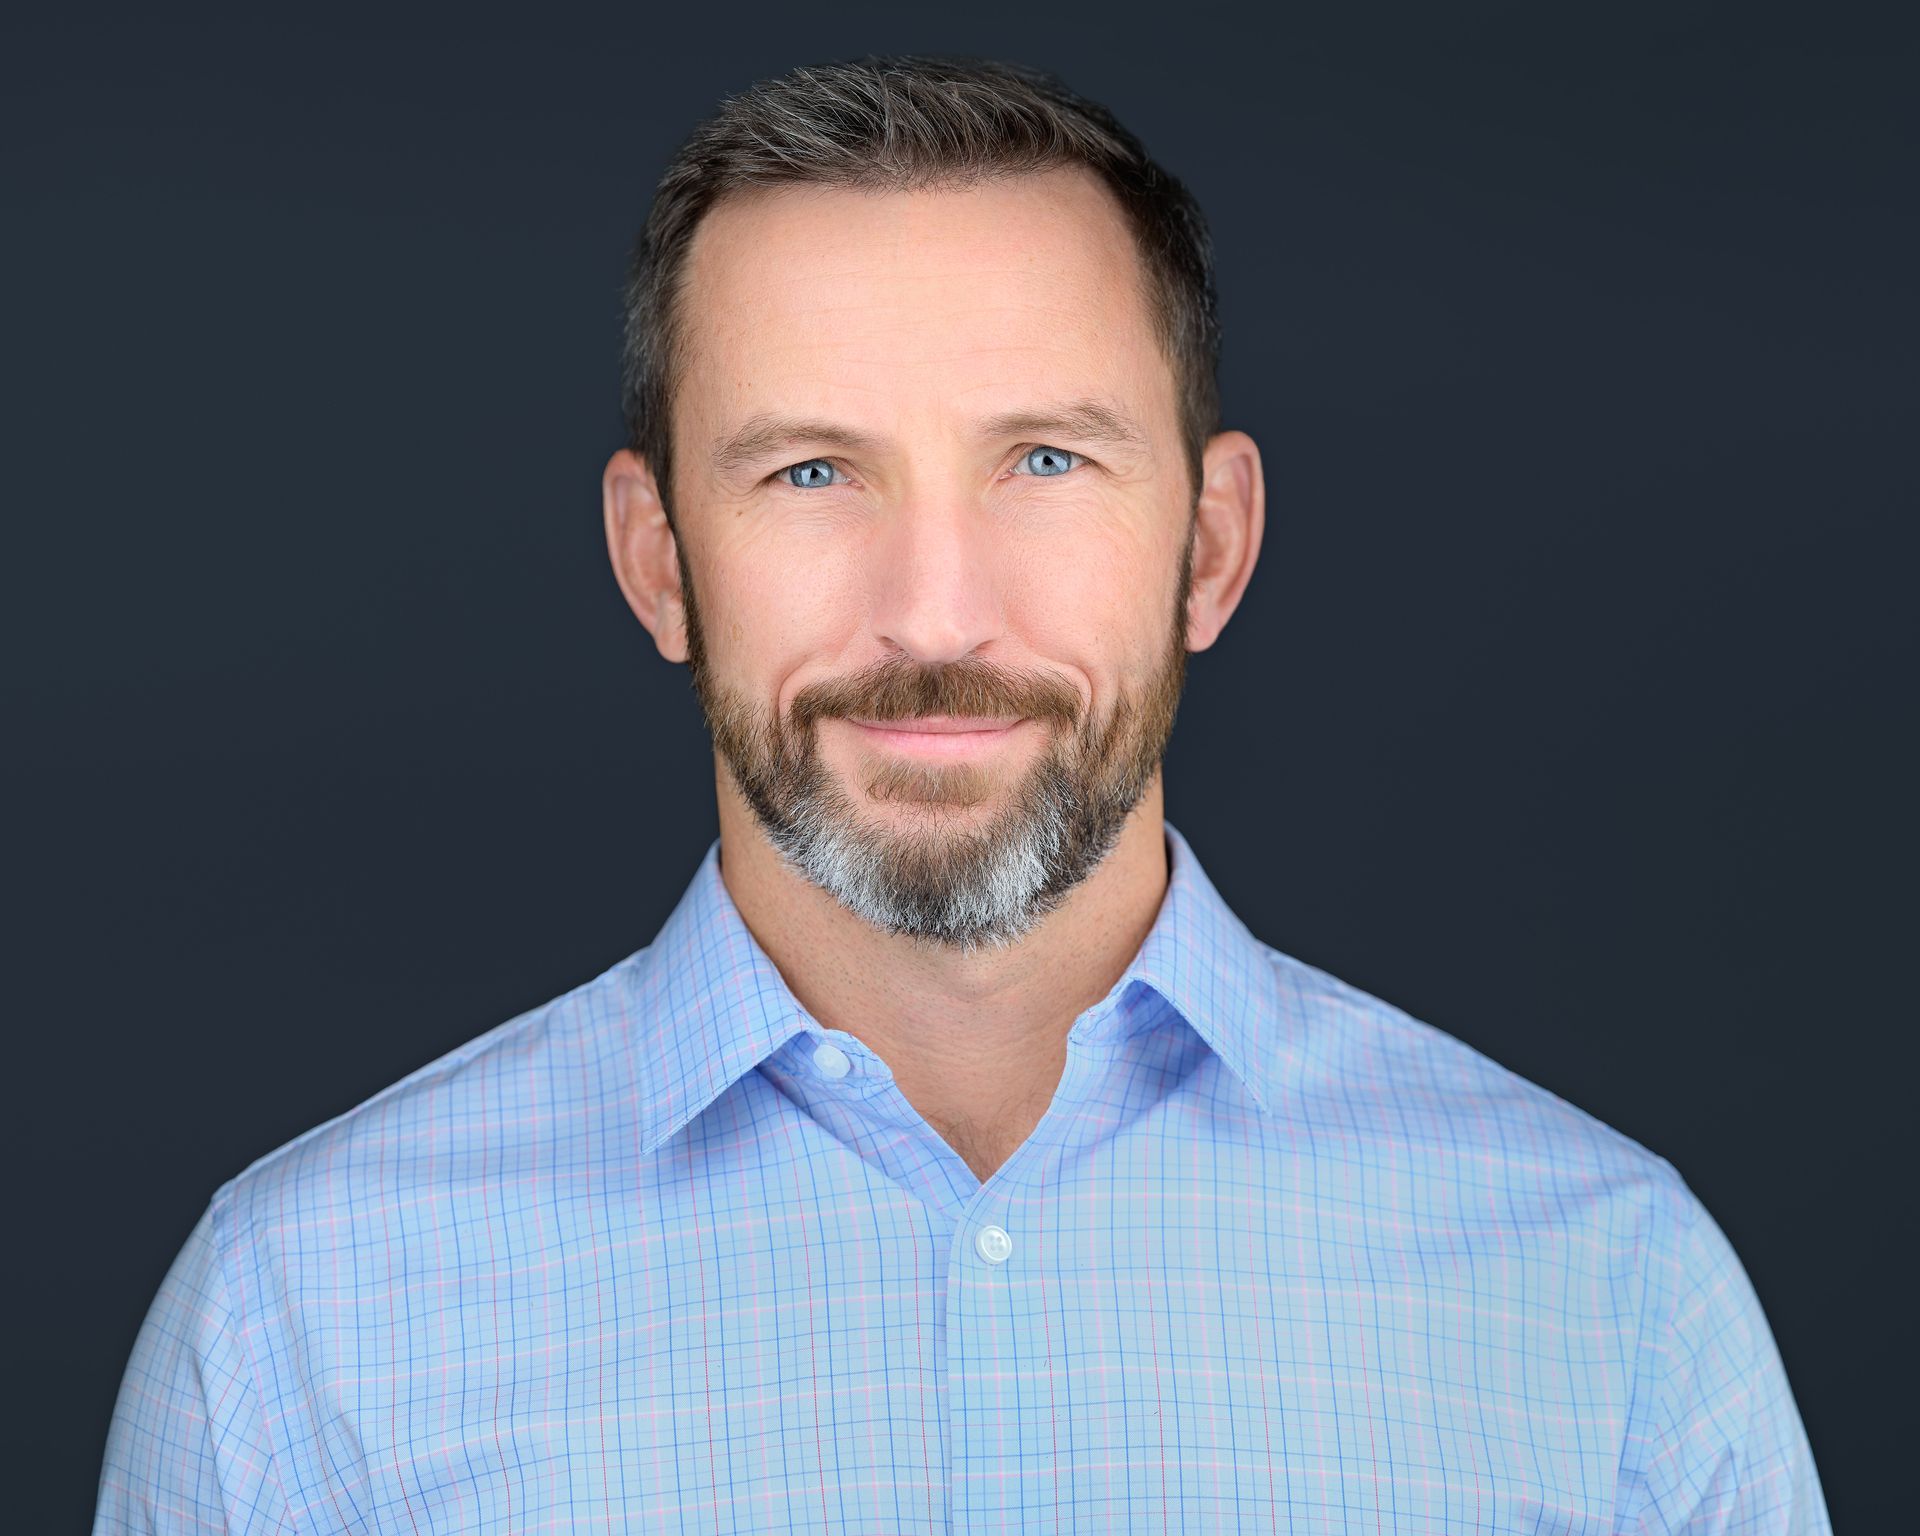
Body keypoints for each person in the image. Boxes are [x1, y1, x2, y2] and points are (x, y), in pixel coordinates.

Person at [94, 53, 1830, 1533]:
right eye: (811, 469)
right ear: (658, 561)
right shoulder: (302, 1327)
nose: (933, 609)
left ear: (1210, 550)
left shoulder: (1610, 1305)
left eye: (1046, 460)